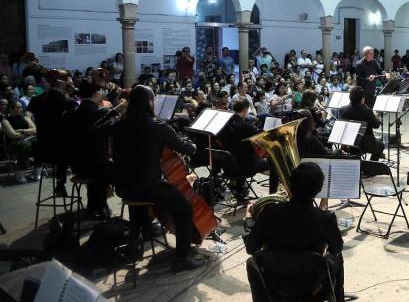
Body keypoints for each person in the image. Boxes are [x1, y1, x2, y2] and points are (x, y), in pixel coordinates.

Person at [108, 85, 205, 271]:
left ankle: (139, 236)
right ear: (150, 102)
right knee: (184, 208)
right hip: (147, 187)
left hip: (122, 186)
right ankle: (181, 259)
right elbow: (183, 147)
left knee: (152, 192)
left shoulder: (119, 123)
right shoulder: (156, 125)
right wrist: (192, 146)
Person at [244, 162, 345, 302]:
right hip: (314, 291)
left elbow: (251, 249)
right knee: (338, 256)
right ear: (319, 188)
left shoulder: (269, 212)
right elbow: (337, 248)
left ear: (290, 185)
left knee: (252, 262)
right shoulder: (326, 218)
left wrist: (249, 220)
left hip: (274, 287)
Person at [67, 81, 114, 219]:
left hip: (77, 166)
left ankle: (95, 207)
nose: (103, 94)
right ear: (95, 94)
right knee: (126, 171)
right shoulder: (99, 113)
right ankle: (139, 218)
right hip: (96, 167)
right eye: (101, 91)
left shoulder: (72, 112)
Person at [27, 69, 77, 194]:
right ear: (62, 84)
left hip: (42, 150)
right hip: (62, 154)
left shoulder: (35, 100)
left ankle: (61, 182)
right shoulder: (68, 103)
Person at [217, 99, 270, 199]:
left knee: (239, 152)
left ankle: (239, 188)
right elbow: (263, 136)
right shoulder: (245, 126)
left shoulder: (224, 124)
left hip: (228, 167)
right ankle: (273, 192)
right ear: (245, 110)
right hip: (244, 168)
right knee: (273, 161)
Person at [340, 86, 383, 161]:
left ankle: (357, 162)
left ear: (350, 97)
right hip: (365, 144)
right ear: (362, 98)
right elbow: (376, 125)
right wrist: (376, 117)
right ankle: (371, 165)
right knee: (381, 145)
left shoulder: (342, 110)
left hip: (348, 143)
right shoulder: (367, 111)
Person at [2, 100, 38, 184]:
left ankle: (37, 171)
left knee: (38, 142)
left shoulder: (25, 118)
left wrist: (22, 131)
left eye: (21, 107)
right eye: (18, 107)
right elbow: (12, 135)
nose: (21, 109)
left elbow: (36, 130)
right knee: (25, 145)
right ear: (11, 110)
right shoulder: (5, 121)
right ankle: (20, 174)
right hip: (12, 145)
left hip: (28, 141)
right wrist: (28, 132)